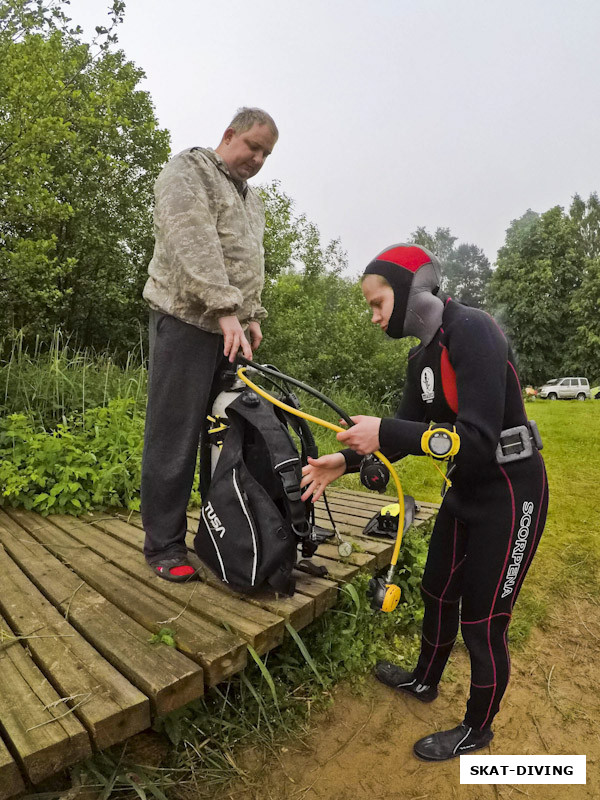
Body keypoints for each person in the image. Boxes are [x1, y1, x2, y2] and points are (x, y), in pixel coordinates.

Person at [300, 244, 548, 761]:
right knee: (437, 590)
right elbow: (401, 436)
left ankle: (477, 729)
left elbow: (477, 437)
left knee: (483, 623)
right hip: (465, 490)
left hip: (511, 492)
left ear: (410, 289)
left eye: (377, 302)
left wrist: (388, 429)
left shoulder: (473, 330)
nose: (374, 317)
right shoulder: (422, 356)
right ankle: (424, 681)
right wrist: (341, 463)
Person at [141, 107, 278, 582]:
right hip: (184, 323)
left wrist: (250, 314)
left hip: (230, 330)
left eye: (266, 154)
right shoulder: (189, 170)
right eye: (252, 147)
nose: (258, 159)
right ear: (229, 135)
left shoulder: (251, 199)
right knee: (173, 436)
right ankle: (163, 544)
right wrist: (225, 309)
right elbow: (190, 240)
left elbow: (248, 259)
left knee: (226, 435)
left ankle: (216, 533)